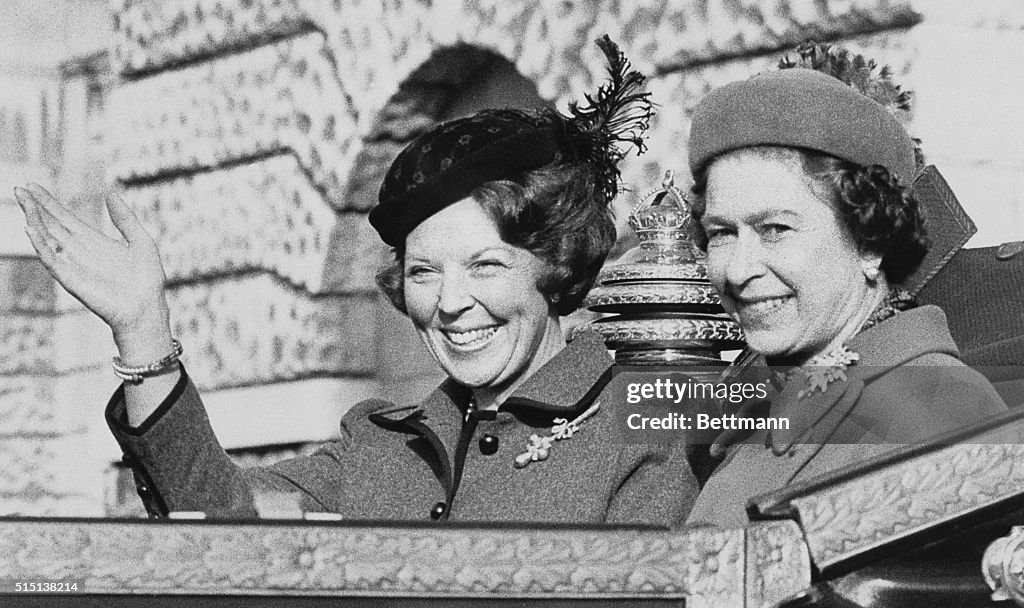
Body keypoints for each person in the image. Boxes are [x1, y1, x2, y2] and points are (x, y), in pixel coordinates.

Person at [13, 37, 697, 525]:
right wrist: (141, 329)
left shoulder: (646, 428)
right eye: (424, 272)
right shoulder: (381, 448)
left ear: (556, 266)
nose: (452, 303)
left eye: (486, 265)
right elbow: (216, 518)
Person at [682, 43, 1008, 528]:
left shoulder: (938, 410)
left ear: (870, 243)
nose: (737, 269)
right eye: (722, 234)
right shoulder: (766, 408)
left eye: (775, 229)